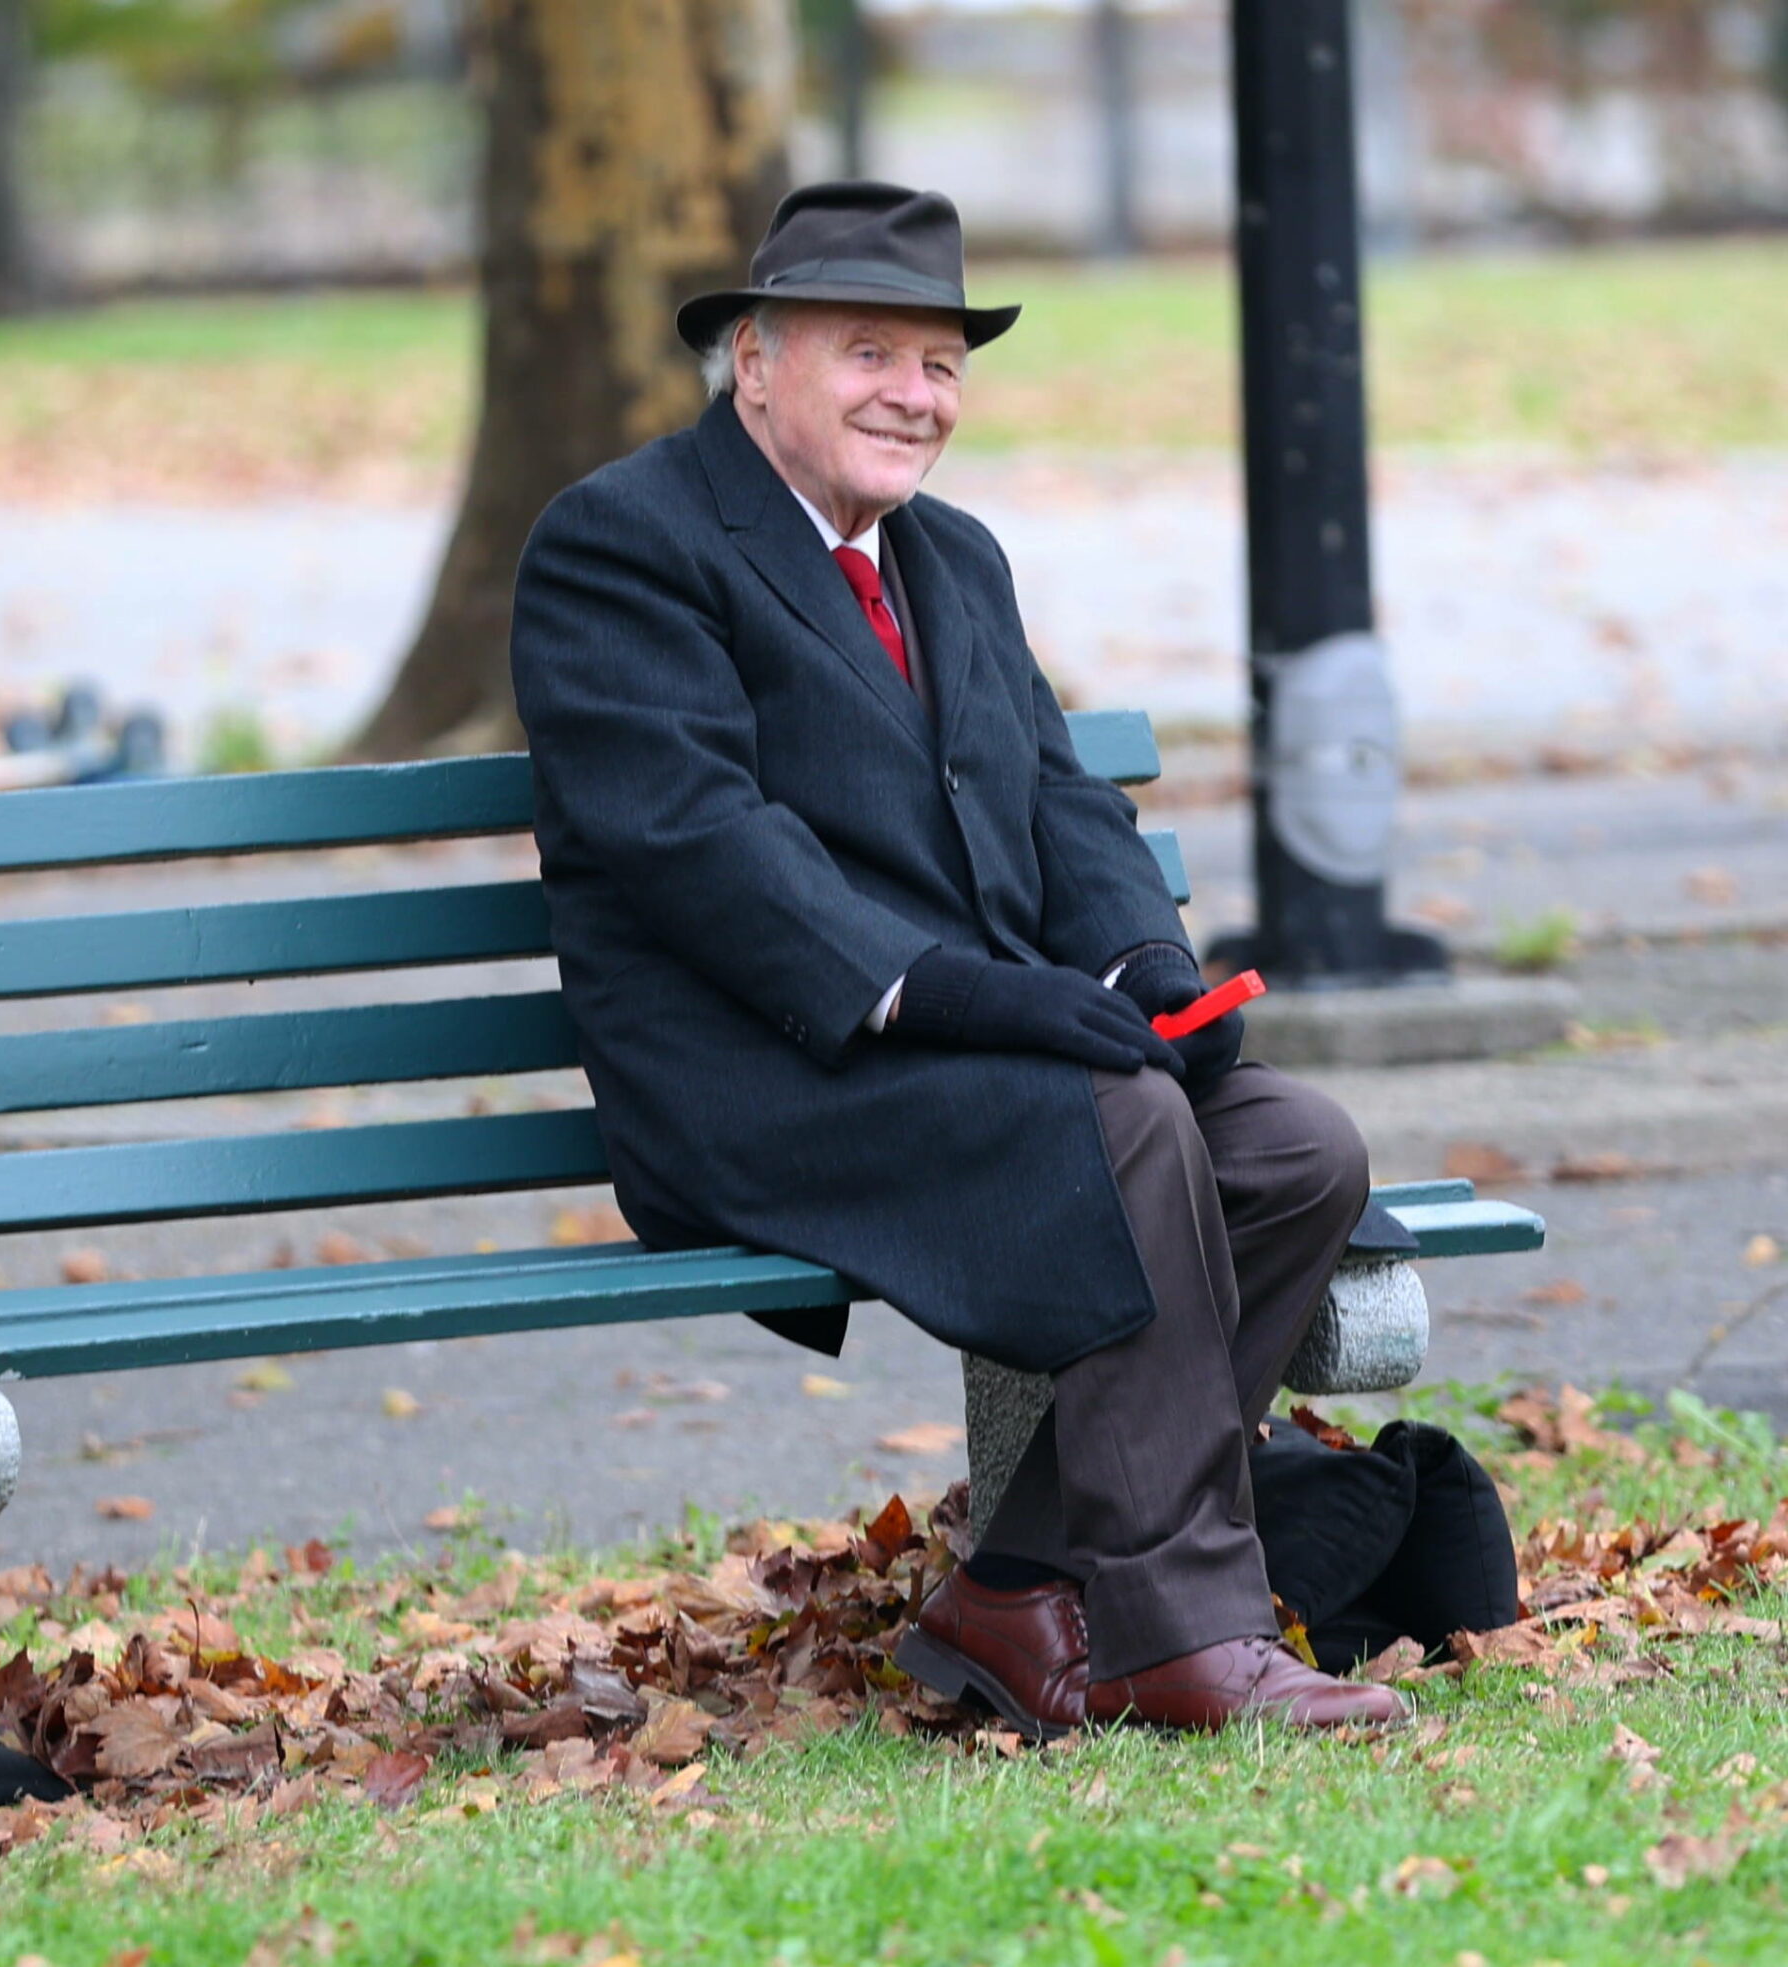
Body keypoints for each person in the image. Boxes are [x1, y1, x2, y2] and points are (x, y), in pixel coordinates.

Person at [508, 181, 1406, 1736]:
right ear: (755, 362)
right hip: (771, 1077)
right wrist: (967, 993)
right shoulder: (623, 542)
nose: (913, 397)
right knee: (1125, 1129)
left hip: (972, 1063)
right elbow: (699, 844)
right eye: (870, 353)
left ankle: (1016, 1586)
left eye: (940, 365)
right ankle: (1183, 1632)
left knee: (1294, 1148)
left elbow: (1060, 800)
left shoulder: (953, 559)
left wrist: (1147, 969)